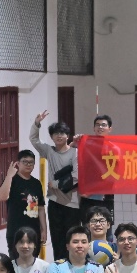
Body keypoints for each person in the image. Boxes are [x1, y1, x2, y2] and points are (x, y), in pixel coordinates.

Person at [30, 111, 81, 260]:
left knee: (72, 239)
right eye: (55, 134)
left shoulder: (75, 153)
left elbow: (76, 176)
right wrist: (37, 123)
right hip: (54, 202)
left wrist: (56, 184)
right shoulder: (49, 151)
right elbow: (34, 139)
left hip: (72, 203)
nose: (59, 136)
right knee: (57, 239)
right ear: (52, 137)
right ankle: (59, 267)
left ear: (68, 136)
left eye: (62, 133)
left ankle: (73, 266)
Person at [0, 150, 47, 253]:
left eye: (31, 162)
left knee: (33, 260)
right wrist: (9, 176)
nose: (28, 165)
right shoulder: (12, 180)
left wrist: (44, 230)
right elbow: (2, 197)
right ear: (18, 163)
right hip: (15, 231)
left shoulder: (36, 183)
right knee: (16, 261)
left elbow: (41, 208)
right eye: (25, 162)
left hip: (34, 231)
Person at [77, 114, 115, 213]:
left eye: (103, 125)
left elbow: (112, 174)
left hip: (105, 195)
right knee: (87, 220)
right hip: (86, 195)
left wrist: (91, 191)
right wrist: (74, 142)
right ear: (93, 128)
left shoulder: (113, 149)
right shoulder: (86, 145)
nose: (100, 127)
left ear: (110, 129)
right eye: (97, 125)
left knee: (104, 221)